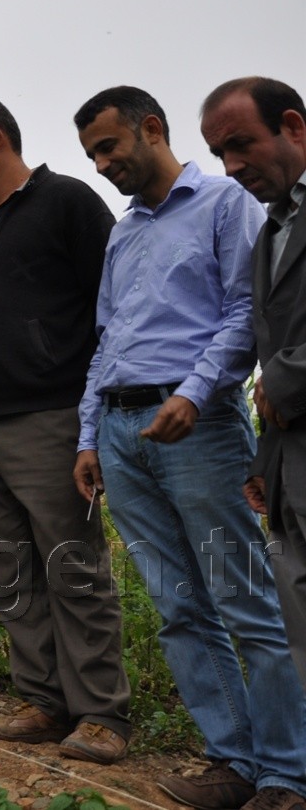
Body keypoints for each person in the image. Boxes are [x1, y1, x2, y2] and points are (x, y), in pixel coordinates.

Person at [73, 85, 306, 810]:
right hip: (122, 431)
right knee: (179, 605)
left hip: (196, 426)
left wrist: (196, 393)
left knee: (246, 601)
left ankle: (286, 774)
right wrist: (89, 433)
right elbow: (108, 338)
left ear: (150, 129)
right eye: (92, 155)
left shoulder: (225, 203)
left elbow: (244, 312)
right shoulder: (125, 230)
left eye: (109, 146)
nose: (104, 163)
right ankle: (232, 761)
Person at [0, 96, 131, 763]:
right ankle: (44, 700)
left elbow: (113, 305)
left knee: (72, 566)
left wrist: (92, 418)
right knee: (11, 569)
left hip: (49, 415)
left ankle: (102, 713)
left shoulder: (67, 203)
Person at [201, 76, 306, 691]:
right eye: (219, 154)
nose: (232, 165)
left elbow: (280, 368)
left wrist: (286, 377)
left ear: (293, 127)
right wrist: (265, 459)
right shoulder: (271, 230)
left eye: (242, 144)